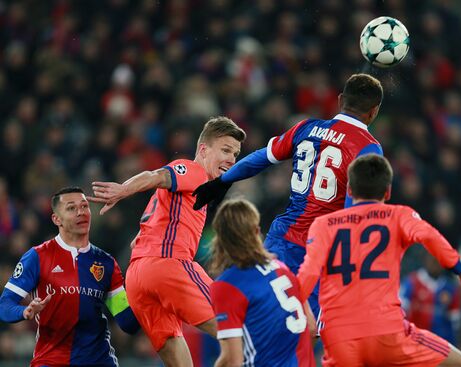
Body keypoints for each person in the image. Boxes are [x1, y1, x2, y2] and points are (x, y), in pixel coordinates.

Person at [193, 73, 384, 319]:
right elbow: (354, 209)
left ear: (339, 100)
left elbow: (262, 157)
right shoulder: (369, 147)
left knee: (260, 317)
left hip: (281, 240)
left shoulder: (307, 128)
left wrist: (222, 181)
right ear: (374, 111)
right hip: (319, 251)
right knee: (303, 328)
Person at [88, 116, 246, 367]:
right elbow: (158, 175)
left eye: (235, 154)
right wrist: (123, 189)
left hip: (138, 277)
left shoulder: (181, 197)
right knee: (238, 331)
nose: (231, 159)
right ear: (203, 150)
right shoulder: (194, 171)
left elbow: (138, 239)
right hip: (168, 266)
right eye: (225, 150)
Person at [298, 154, 461, 367]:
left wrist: (305, 313)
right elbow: (430, 237)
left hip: (339, 337)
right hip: (387, 332)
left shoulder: (322, 224)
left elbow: (308, 274)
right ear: (388, 191)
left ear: (349, 190)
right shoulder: (399, 215)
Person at [0, 187, 139, 367]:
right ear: (56, 219)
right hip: (51, 361)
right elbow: (4, 305)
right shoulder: (37, 257)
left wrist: (145, 286)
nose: (81, 212)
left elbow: (127, 322)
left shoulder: (106, 262)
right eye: (71, 208)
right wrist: (24, 312)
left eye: (84, 206)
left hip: (99, 361)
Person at [209, 199, 315, 367]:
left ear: (220, 238)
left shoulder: (226, 285)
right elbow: (311, 328)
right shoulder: (283, 269)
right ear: (257, 231)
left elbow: (232, 361)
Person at [401, 253, 461, 346]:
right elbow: (400, 310)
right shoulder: (412, 282)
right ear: (425, 260)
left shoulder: (450, 288)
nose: (436, 264)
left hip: (442, 343)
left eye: (439, 261)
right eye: (433, 260)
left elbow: (455, 320)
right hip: (416, 341)